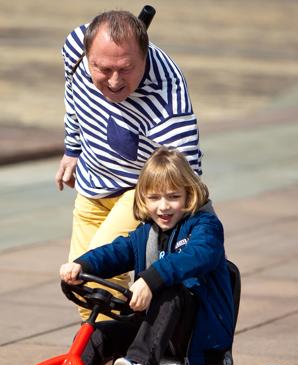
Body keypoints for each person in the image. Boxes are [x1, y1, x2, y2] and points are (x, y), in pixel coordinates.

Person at [56, 10, 202, 322]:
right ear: (87, 53)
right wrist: (72, 149)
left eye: (126, 69)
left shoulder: (167, 99)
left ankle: (134, 358)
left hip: (138, 192)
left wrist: (199, 236)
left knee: (94, 273)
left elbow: (188, 177)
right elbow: (73, 94)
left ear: (144, 56)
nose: (114, 81)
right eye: (103, 69)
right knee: (83, 290)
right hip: (92, 183)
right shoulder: (74, 49)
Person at [59, 147, 234, 365]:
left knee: (170, 291)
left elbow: (199, 255)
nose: (163, 207)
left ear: (188, 194)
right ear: (143, 199)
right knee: (94, 336)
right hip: (151, 330)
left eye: (173, 197)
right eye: (154, 198)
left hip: (194, 335)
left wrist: (152, 279)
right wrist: (82, 265)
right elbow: (116, 251)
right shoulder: (146, 232)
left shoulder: (205, 226)